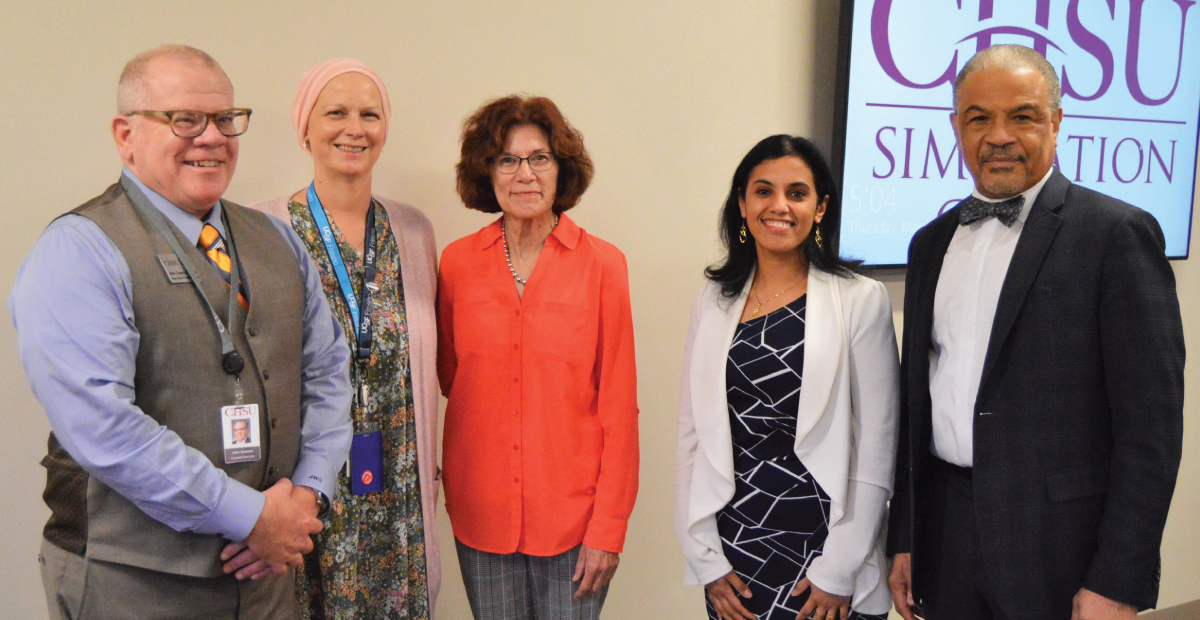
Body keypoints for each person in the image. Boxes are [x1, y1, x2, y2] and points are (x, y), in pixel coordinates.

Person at [10, 45, 353, 620]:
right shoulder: (79, 251)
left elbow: (327, 372)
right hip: (134, 582)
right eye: (185, 119)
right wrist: (251, 517)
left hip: (267, 577)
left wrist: (304, 497)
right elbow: (104, 428)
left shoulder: (278, 240)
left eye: (225, 119)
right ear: (126, 135)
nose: (212, 136)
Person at [887, 44, 1184, 620]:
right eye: (978, 117)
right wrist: (906, 536)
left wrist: (1117, 579)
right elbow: (916, 408)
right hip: (947, 532)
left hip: (1059, 546)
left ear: (1055, 121)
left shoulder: (1116, 235)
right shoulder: (929, 244)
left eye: (1021, 115)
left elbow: (1151, 431)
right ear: (955, 127)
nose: (998, 135)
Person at [675, 135, 899, 620]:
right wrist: (703, 557)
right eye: (763, 191)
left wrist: (838, 569)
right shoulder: (712, 300)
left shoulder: (860, 299)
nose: (779, 206)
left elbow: (877, 443)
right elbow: (692, 433)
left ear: (820, 208)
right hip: (735, 554)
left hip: (826, 553)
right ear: (741, 203)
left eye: (797, 193)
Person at [250, 58, 441, 619]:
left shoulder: (413, 231)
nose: (354, 129)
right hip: (307, 487)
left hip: (399, 483)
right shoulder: (264, 231)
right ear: (305, 126)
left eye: (370, 114)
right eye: (336, 113)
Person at [437, 95, 639, 619]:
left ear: (560, 169)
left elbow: (619, 408)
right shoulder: (457, 264)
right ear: (487, 172)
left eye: (539, 158)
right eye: (507, 159)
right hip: (482, 513)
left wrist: (608, 529)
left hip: (576, 522)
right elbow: (451, 376)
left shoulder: (604, 266)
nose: (524, 174)